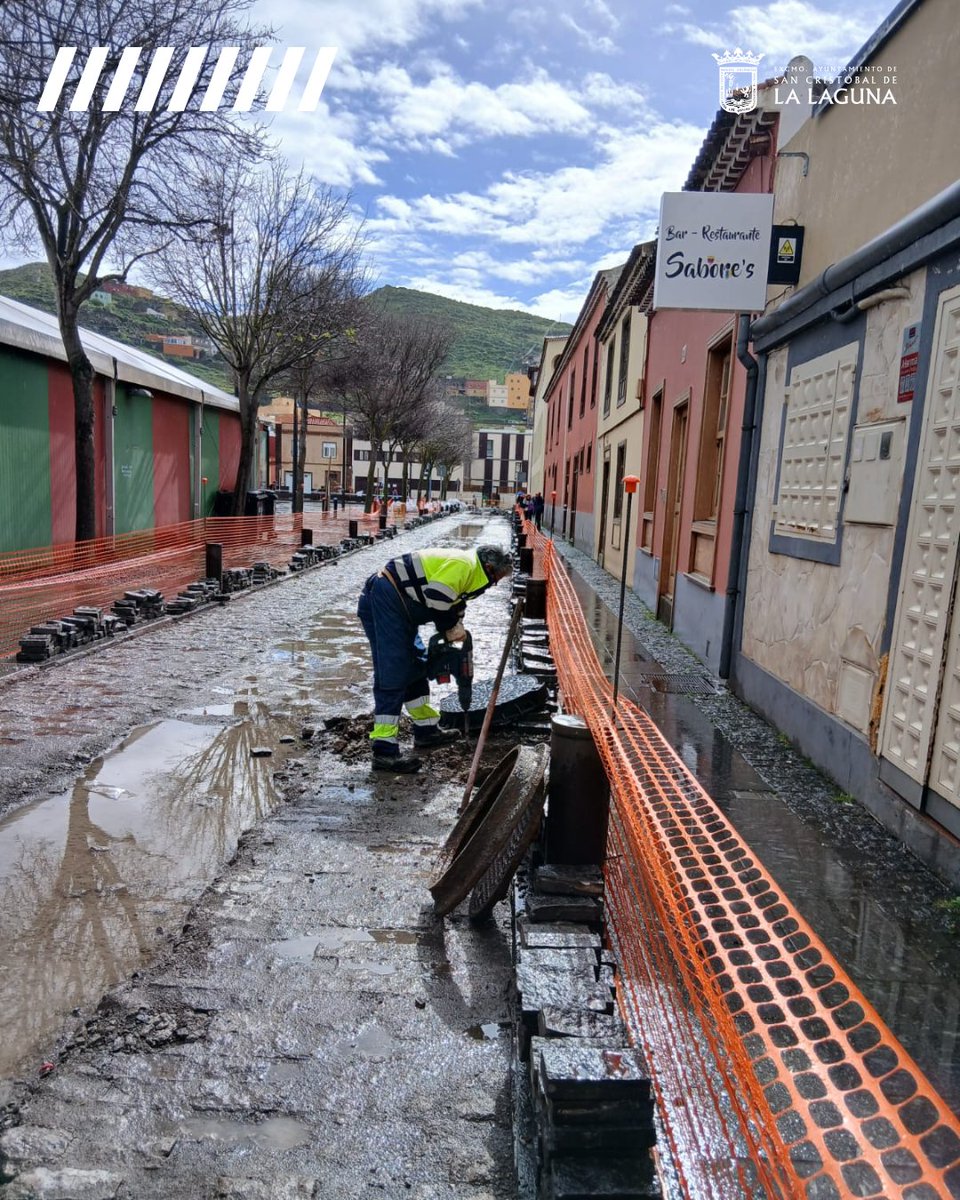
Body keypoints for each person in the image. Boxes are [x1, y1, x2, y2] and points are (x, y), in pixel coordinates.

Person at [357, 545, 513, 773]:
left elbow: (454, 603)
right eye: (497, 578)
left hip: (401, 606)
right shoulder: (464, 566)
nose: (495, 584)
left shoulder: (470, 574)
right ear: (489, 568)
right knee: (394, 670)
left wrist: (457, 625)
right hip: (385, 598)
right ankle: (384, 751)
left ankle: (426, 730)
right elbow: (437, 597)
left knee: (416, 664)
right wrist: (449, 627)